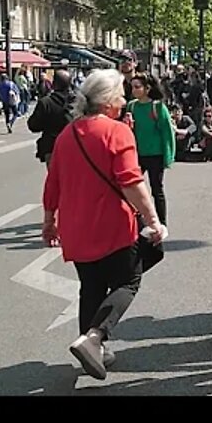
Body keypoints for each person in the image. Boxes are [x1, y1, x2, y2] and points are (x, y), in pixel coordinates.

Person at [41, 69, 166, 380]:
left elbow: (52, 182)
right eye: (120, 95)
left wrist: (48, 221)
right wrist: (153, 220)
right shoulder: (117, 131)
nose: (124, 100)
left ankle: (92, 349)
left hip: (74, 227)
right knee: (128, 281)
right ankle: (95, 337)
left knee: (92, 286)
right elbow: (132, 183)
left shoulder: (68, 134)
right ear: (108, 101)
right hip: (111, 225)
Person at [125, 73, 175, 226]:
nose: (134, 90)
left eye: (137, 87)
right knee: (132, 189)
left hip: (155, 154)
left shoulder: (158, 107)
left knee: (156, 189)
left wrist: (168, 156)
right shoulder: (131, 106)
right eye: (132, 87)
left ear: (147, 88)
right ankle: (135, 221)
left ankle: (162, 223)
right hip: (137, 154)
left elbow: (167, 133)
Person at [28, 70, 75, 169]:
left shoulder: (46, 103)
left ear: (54, 84)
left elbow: (33, 126)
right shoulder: (79, 102)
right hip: (75, 145)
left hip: (52, 146)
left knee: (55, 179)